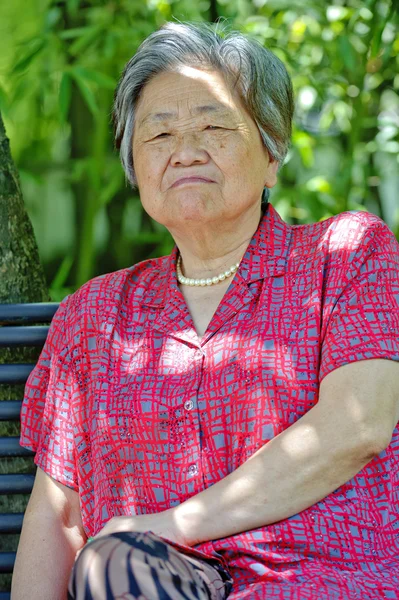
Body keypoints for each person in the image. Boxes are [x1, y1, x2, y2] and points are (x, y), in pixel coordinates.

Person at [11, 19, 399, 600]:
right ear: (134, 168)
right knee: (110, 563)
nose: (186, 152)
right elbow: (60, 518)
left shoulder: (344, 256)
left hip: (319, 583)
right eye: (159, 136)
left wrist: (173, 526)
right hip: (148, 584)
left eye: (215, 126)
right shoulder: (93, 316)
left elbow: (358, 426)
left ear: (271, 155)